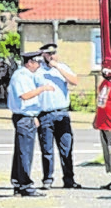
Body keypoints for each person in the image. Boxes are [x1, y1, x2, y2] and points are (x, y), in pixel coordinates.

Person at [7, 52, 55, 197]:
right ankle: (25, 185)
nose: (39, 65)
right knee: (25, 153)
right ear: (29, 63)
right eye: (36, 62)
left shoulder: (27, 75)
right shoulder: (21, 76)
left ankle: (18, 183)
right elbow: (25, 96)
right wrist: (42, 89)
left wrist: (34, 115)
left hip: (27, 116)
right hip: (23, 117)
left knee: (22, 152)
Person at [36, 43, 81, 189]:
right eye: (48, 54)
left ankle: (69, 179)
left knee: (66, 148)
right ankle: (47, 179)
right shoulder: (37, 71)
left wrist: (57, 67)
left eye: (54, 53)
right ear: (43, 55)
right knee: (47, 150)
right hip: (44, 114)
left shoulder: (62, 68)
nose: (51, 56)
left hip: (62, 113)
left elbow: (74, 81)